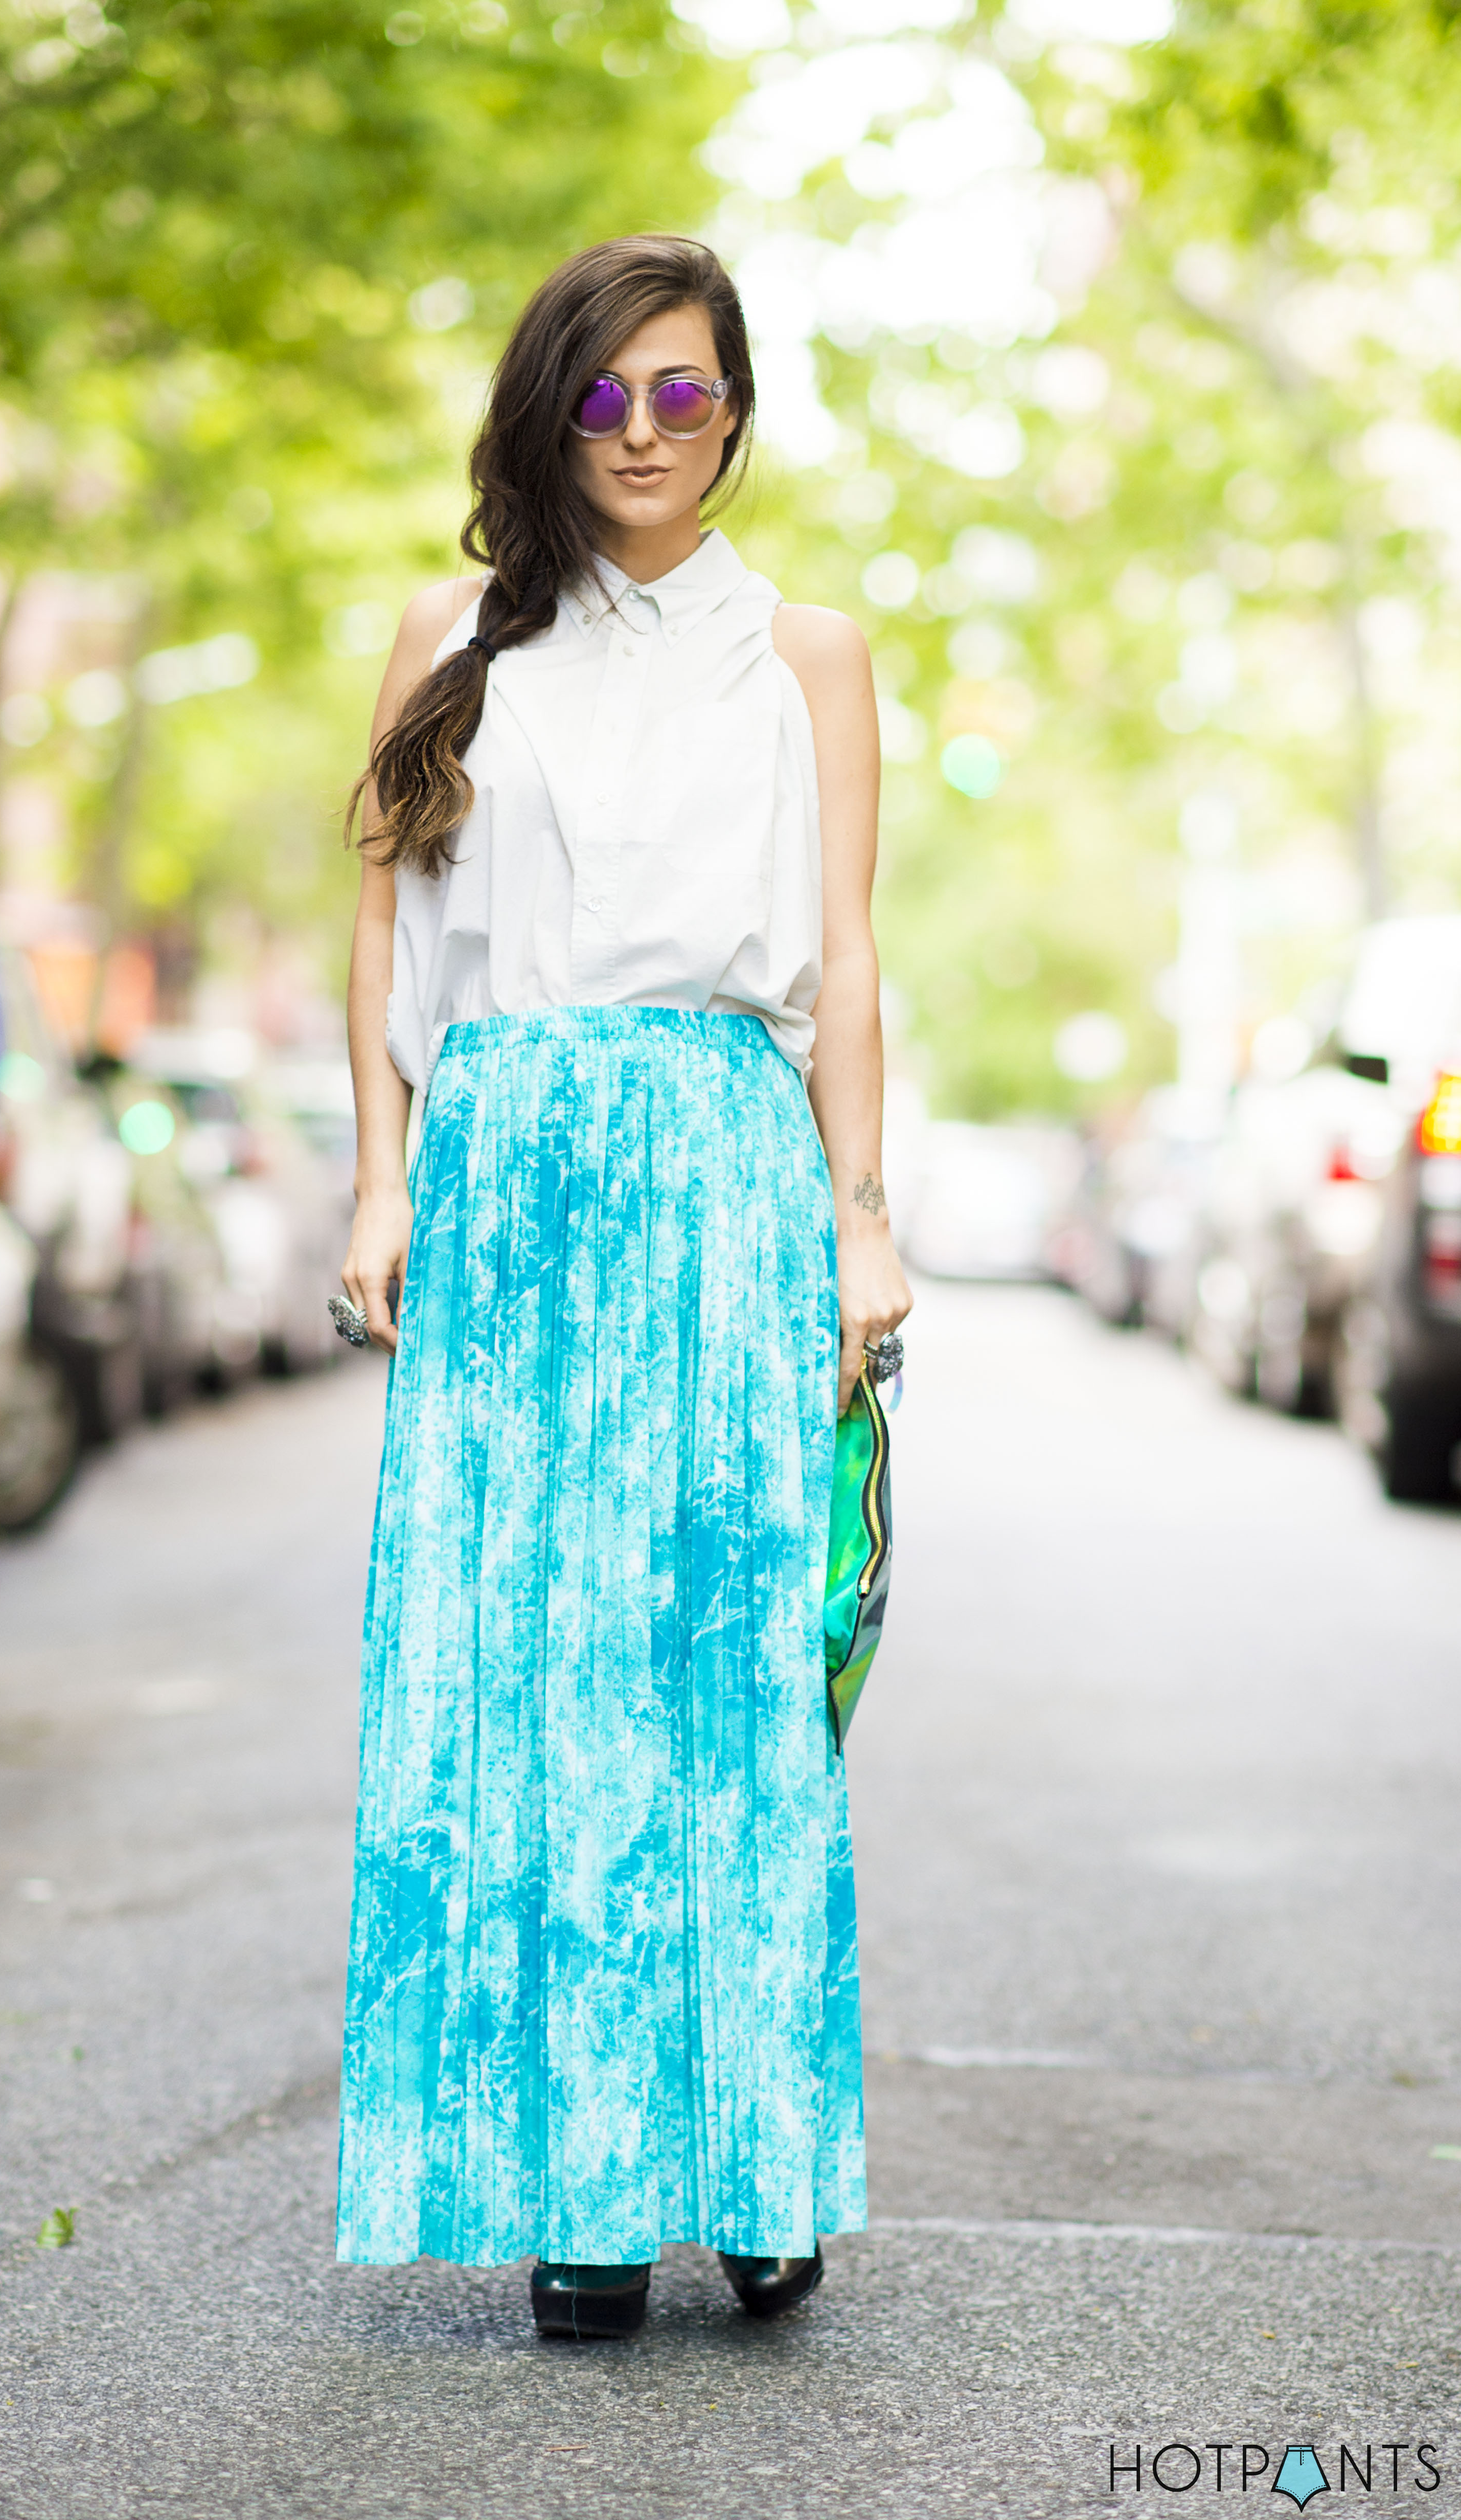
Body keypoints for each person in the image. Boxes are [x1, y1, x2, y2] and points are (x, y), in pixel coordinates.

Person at [334, 232, 912, 2341]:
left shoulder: (810, 652)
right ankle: (576, 2174)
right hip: (503, 1181)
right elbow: (384, 930)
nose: (649, 432)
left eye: (686, 393)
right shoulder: (449, 634)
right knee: (527, 1669)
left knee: (725, 1674)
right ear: (547, 413)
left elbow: (842, 957)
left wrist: (861, 1214)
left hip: (719, 1163)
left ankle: (749, 2160)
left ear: (739, 409)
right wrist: (382, 1177)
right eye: (607, 396)